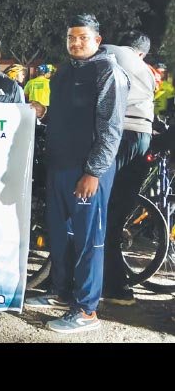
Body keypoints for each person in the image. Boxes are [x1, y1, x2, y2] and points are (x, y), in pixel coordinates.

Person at [25, 14, 129, 334]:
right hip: (59, 166)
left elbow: (111, 129)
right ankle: (60, 291)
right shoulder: (64, 71)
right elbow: (64, 116)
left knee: (88, 241)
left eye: (83, 37)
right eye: (71, 37)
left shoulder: (108, 71)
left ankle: (86, 310)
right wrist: (43, 113)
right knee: (60, 235)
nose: (76, 42)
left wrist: (93, 172)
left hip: (87, 171)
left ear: (97, 40)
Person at [100, 30, 156, 305]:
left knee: (97, 206)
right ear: (142, 52)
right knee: (117, 213)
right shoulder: (147, 71)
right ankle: (117, 287)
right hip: (143, 137)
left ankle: (77, 282)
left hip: (119, 133)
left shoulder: (107, 50)